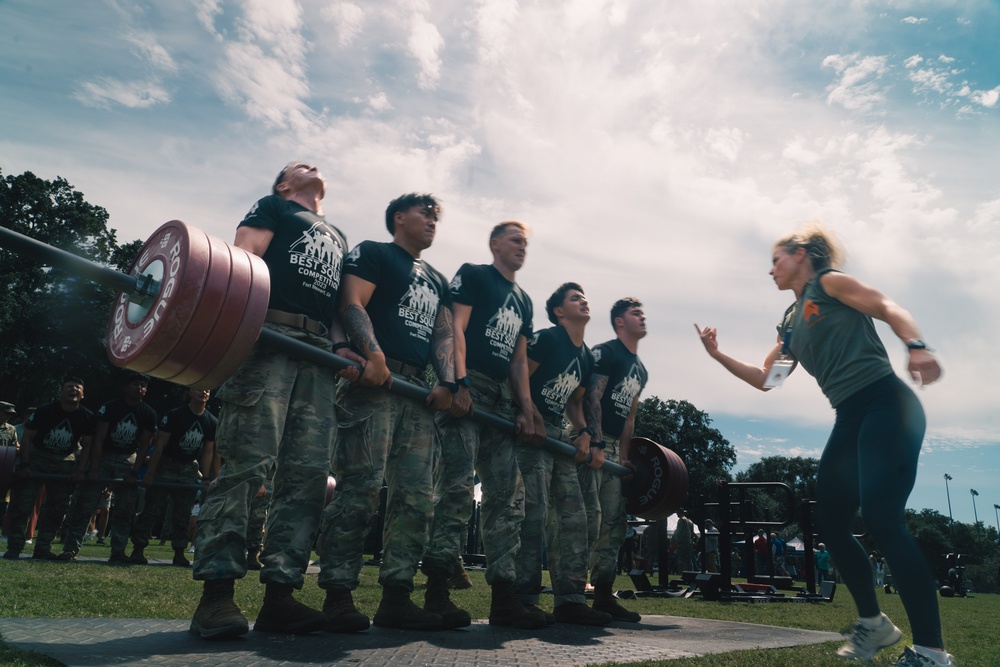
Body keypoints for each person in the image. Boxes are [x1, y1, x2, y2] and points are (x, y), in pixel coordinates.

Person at [695, 223, 954, 666]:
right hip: (850, 416)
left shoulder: (828, 283)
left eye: (776, 259)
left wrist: (917, 345)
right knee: (830, 522)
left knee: (880, 516)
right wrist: (717, 355)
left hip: (886, 403)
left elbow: (887, 306)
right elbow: (766, 380)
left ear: (801, 254)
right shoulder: (789, 325)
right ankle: (874, 625)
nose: (770, 269)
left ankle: (932, 651)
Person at [190, 162, 361, 640]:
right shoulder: (274, 207)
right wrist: (239, 322)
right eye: (297, 166)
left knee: (306, 480)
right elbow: (244, 257)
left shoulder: (338, 235)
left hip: (317, 357)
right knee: (248, 466)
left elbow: (336, 306)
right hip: (269, 340)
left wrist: (343, 346)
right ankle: (217, 597)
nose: (312, 166)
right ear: (285, 184)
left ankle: (280, 597)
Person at [318, 192, 456, 632]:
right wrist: (372, 354)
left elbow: (442, 336)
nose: (433, 221)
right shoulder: (374, 252)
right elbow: (352, 301)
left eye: (437, 216)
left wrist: (449, 381)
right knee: (361, 489)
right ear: (399, 218)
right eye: (425, 213)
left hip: (417, 393)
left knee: (416, 498)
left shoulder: (436, 277)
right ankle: (338, 594)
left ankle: (397, 595)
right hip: (374, 385)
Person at [422, 221, 547, 629]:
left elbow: (517, 361)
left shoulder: (524, 301)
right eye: (515, 240)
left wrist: (527, 409)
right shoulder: (475, 275)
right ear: (495, 244)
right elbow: (455, 325)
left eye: (525, 242)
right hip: (468, 384)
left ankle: (504, 598)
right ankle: (437, 591)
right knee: (457, 488)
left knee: (508, 498)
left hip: (500, 400)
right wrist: (457, 381)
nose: (521, 247)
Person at [513, 282, 611, 627]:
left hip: (558, 437)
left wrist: (584, 431)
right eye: (574, 298)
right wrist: (527, 411)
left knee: (574, 518)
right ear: (558, 311)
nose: (583, 301)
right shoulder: (547, 339)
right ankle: (520, 599)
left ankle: (570, 600)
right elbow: (520, 373)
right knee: (532, 514)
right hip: (530, 436)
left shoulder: (585, 355)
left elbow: (574, 400)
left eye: (585, 297)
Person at [579, 297, 649, 622]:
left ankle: (604, 596)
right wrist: (594, 439)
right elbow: (591, 395)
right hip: (590, 440)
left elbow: (629, 418)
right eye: (636, 313)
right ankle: (573, 595)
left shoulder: (641, 370)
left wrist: (623, 459)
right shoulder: (605, 352)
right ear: (620, 322)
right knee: (587, 520)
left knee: (614, 524)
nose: (643, 317)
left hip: (612, 451)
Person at [59, 373, 157, 563]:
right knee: (85, 505)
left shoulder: (148, 412)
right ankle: (70, 549)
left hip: (128, 457)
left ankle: (118, 552)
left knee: (125, 509)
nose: (139, 388)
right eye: (135, 384)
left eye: (143, 385)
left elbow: (145, 444)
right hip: (103, 455)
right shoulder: (110, 407)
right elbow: (99, 438)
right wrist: (94, 468)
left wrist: (135, 472)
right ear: (126, 387)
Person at [2, 377, 94, 560]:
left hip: (64, 461)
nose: (73, 390)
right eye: (69, 387)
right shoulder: (45, 411)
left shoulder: (87, 416)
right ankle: (15, 547)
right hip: (38, 458)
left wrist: (79, 470)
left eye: (77, 388)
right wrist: (25, 464)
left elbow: (88, 445)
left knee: (57, 508)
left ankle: (43, 547)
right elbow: (27, 439)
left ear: (83, 394)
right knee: (22, 506)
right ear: (61, 392)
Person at [129, 388, 217, 567]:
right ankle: (138, 549)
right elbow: (160, 444)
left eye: (207, 390)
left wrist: (206, 477)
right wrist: (151, 473)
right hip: (167, 464)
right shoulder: (175, 415)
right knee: (152, 509)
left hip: (189, 468)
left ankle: (179, 552)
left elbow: (208, 451)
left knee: (183, 514)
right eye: (200, 389)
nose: (204, 393)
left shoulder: (211, 421)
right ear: (191, 392)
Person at [673, 508, 696, 573]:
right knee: (689, 559)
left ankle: (683, 572)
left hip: (682, 542)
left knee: (682, 559)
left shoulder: (681, 520)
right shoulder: (690, 521)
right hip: (689, 543)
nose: (677, 514)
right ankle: (691, 573)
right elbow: (692, 533)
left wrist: (673, 539)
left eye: (677, 512)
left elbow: (678, 531)